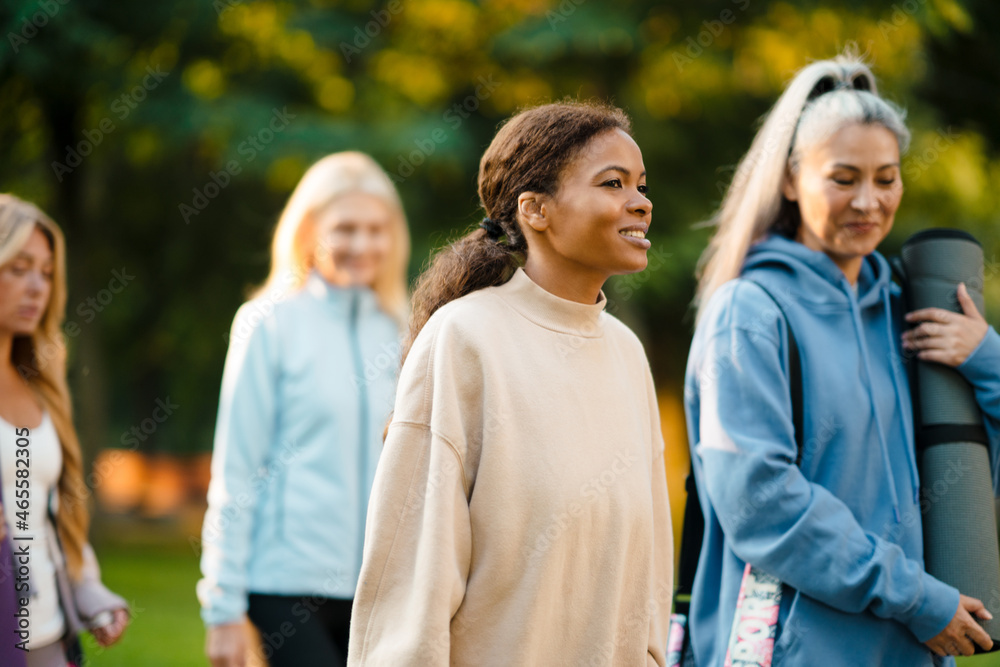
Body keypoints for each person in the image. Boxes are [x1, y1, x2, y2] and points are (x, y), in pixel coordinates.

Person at [684, 52, 1000, 666]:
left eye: (886, 178)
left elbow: (979, 476)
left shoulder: (904, 313)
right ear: (789, 179)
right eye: (843, 177)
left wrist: (985, 357)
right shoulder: (749, 311)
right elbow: (761, 500)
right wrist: (914, 598)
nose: (868, 202)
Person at [348, 101, 674, 666]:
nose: (641, 203)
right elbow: (413, 574)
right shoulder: (464, 339)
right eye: (613, 183)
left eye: (641, 186)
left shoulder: (626, 352)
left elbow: (646, 574)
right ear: (535, 210)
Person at [198, 152, 411, 667]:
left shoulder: (408, 328)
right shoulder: (267, 324)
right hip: (284, 585)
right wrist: (222, 607)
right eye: (345, 228)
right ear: (309, 231)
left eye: (376, 229)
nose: (362, 245)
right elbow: (236, 471)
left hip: (383, 588)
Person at [0, 194, 129, 666]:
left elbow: (54, 516)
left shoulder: (42, 384)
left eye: (47, 272)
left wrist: (89, 590)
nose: (38, 287)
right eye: (18, 268)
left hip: (49, 638)